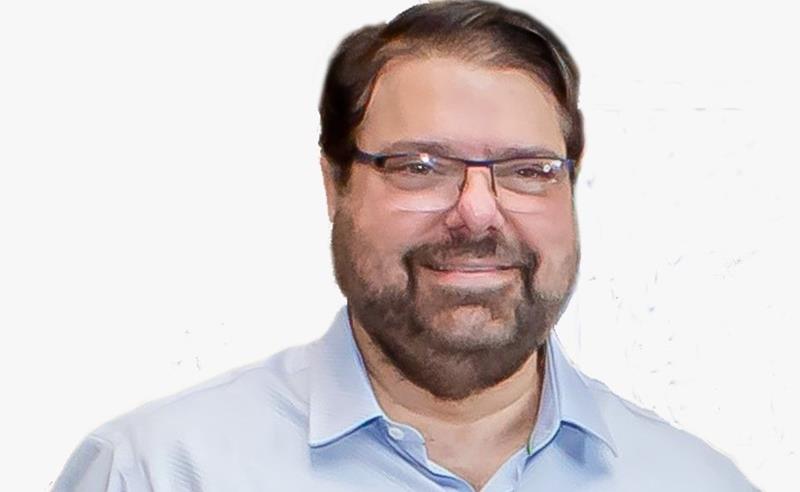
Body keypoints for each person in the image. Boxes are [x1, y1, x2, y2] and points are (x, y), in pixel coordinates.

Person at [53, 1, 757, 490]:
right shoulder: (157, 473)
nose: (477, 213)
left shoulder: (696, 483)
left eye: (527, 170)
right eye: (421, 166)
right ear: (335, 185)